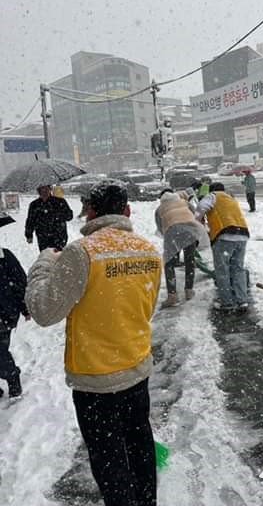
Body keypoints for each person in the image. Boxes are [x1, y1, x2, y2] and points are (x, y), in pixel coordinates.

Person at [26, 180, 162, 506]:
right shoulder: (147, 250)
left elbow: (43, 310)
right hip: (136, 369)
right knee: (140, 444)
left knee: (109, 458)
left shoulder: (82, 252)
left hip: (96, 381)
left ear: (91, 212)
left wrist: (45, 264)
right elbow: (147, 305)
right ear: (127, 211)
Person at [195, 182, 250, 311]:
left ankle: (227, 303)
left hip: (225, 235)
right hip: (242, 234)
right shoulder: (230, 198)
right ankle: (242, 301)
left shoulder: (212, 196)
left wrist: (198, 220)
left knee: (222, 270)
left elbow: (201, 207)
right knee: (238, 269)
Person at [155, 188, 204, 308]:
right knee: (189, 260)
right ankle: (189, 291)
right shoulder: (184, 202)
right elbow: (194, 215)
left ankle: (172, 295)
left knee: (169, 263)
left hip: (172, 231)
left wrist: (171, 244)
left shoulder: (159, 209)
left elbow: (161, 228)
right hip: (190, 230)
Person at [0, 215, 29, 398]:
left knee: (0, 351)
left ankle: (12, 376)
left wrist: (25, 307)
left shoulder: (5, 257)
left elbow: (20, 283)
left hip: (3, 314)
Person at [25, 185, 73, 251]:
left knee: (59, 258)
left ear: (50, 189)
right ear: (39, 191)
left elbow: (69, 216)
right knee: (46, 258)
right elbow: (30, 220)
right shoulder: (34, 205)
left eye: (46, 189)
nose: (45, 192)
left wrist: (57, 214)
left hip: (59, 237)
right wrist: (29, 234)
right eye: (42, 190)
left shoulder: (60, 202)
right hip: (43, 238)